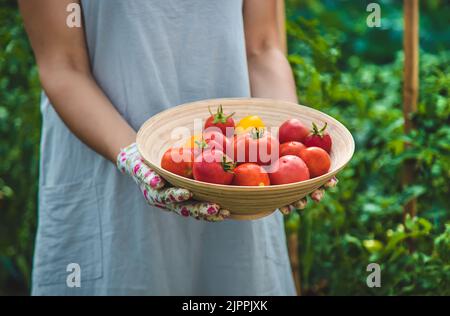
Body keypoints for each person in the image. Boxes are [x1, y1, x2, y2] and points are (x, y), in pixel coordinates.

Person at [20, 0, 335, 295]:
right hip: (108, 163)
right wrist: (135, 158)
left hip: (239, 174)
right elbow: (63, 66)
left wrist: (288, 152)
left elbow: (263, 49)